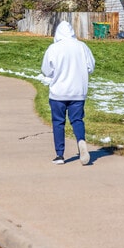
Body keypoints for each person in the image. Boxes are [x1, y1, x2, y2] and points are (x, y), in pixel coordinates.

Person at [41, 21, 95, 165]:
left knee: (58, 122)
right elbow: (91, 67)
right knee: (77, 120)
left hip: (58, 92)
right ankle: (81, 140)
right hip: (78, 92)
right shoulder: (82, 47)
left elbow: (46, 70)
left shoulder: (53, 48)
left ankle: (60, 155)